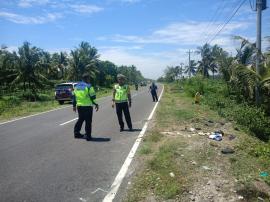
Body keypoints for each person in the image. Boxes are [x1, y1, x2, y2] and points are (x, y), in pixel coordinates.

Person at [72, 73, 99, 141]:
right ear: (87, 78)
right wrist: (96, 104)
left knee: (80, 119)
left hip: (79, 106)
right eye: (89, 78)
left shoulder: (76, 86)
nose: (89, 80)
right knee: (88, 121)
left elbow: (74, 97)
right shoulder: (89, 86)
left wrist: (74, 106)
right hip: (87, 106)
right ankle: (88, 136)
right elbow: (93, 97)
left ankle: (76, 133)